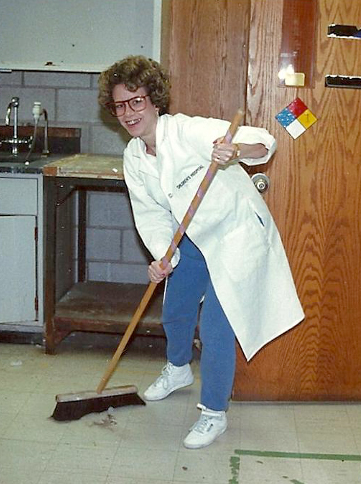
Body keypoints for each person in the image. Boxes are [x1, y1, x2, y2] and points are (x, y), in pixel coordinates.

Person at [98, 55, 304, 449]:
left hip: (234, 237)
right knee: (175, 309)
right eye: (119, 105)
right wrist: (162, 256)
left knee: (215, 328)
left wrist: (236, 151)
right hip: (191, 238)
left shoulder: (188, 131)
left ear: (154, 99)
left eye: (136, 101)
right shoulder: (134, 157)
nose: (128, 113)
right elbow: (150, 213)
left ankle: (214, 413)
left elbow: (264, 139)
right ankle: (178, 370)